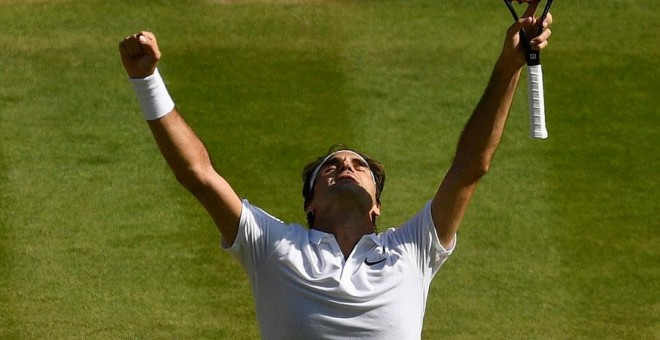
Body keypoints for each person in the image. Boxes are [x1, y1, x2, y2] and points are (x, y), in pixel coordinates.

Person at [119, 2, 552, 339]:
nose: (346, 165)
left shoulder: (413, 249)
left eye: (358, 165)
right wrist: (147, 81)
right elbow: (199, 173)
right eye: (332, 166)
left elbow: (470, 167)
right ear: (310, 201)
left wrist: (508, 66)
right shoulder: (273, 246)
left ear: (377, 206)